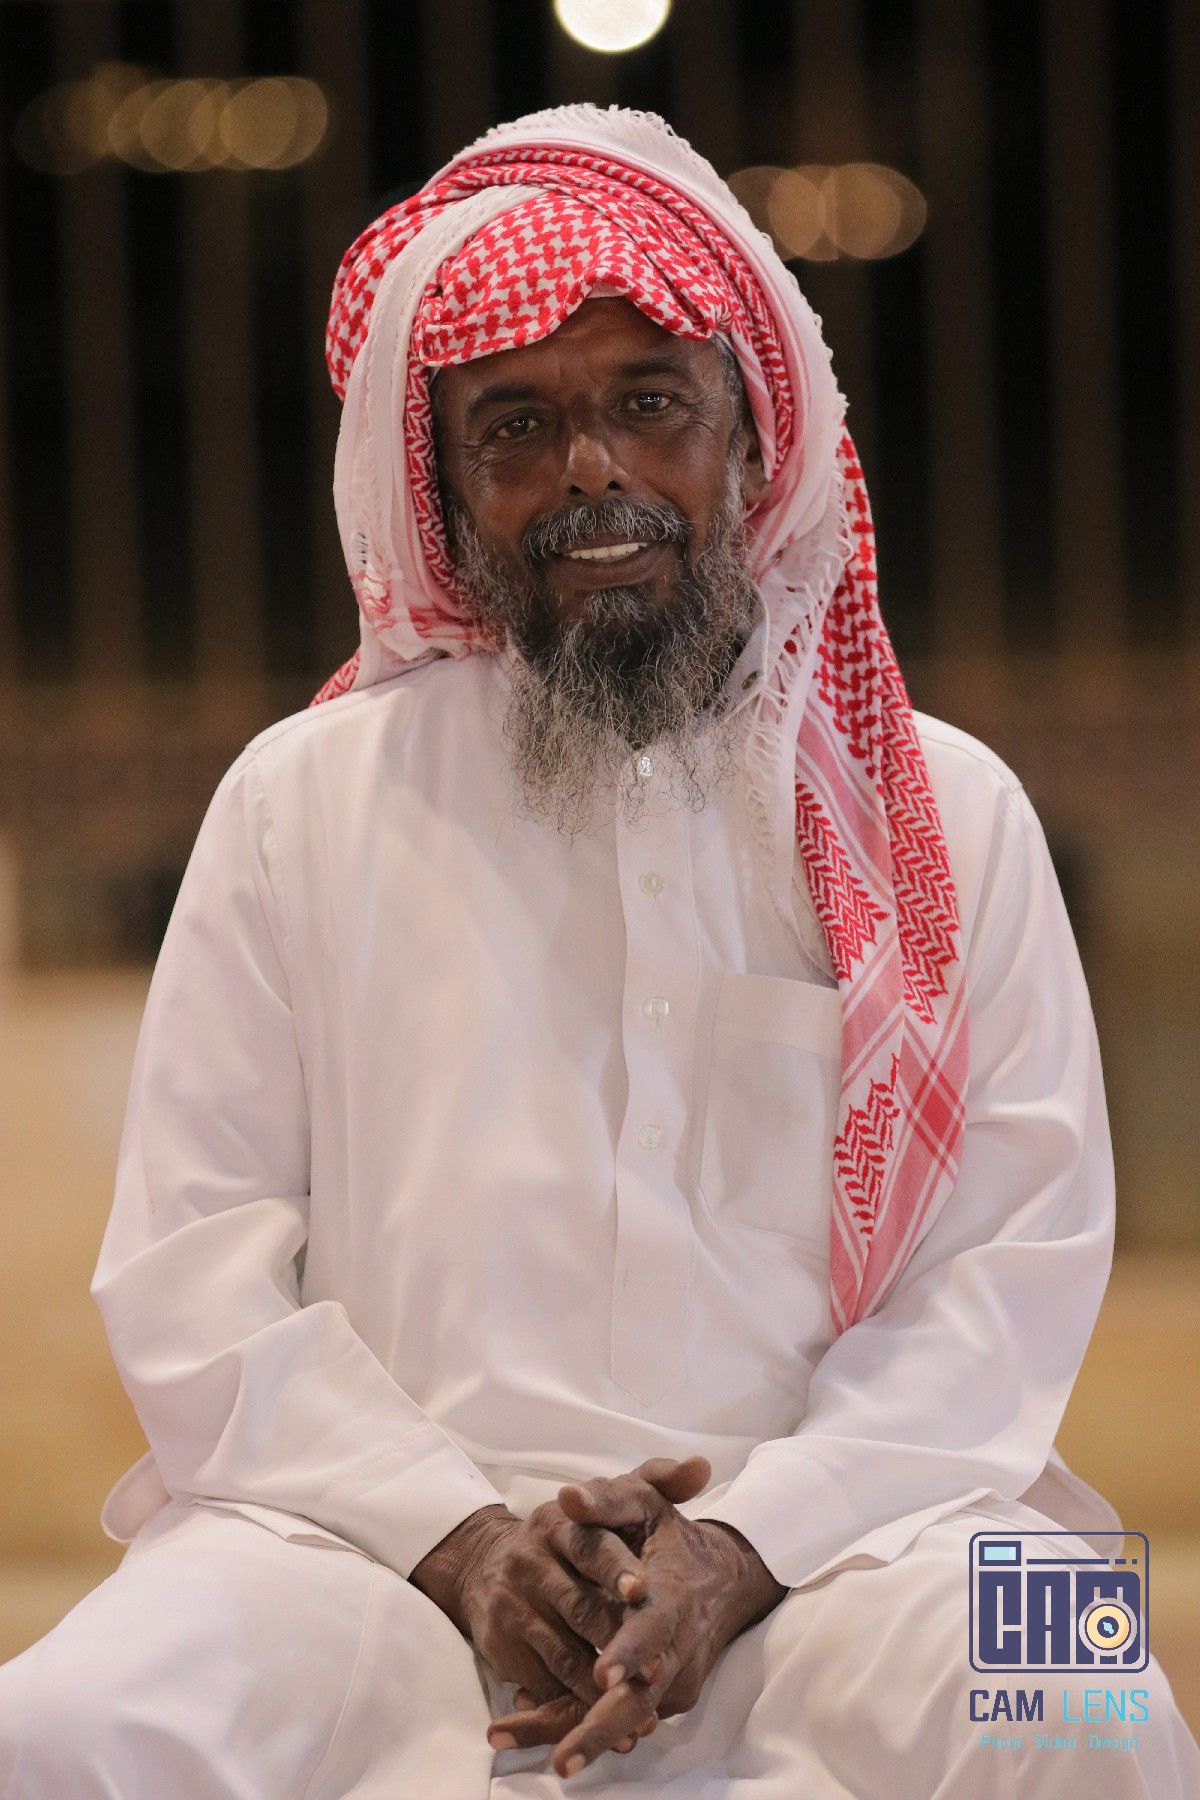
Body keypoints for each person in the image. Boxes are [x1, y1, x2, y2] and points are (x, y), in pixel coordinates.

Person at [0, 104, 1196, 1799]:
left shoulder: (945, 806)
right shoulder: (300, 802)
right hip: (366, 1550)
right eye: (517, 426)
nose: (590, 472)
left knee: (1096, 1700)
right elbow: (193, 1273)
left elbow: (1013, 1270)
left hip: (859, 1531)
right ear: (445, 487)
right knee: (47, 1732)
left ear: (750, 434)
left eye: (650, 404)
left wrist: (746, 1544)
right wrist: (464, 1538)